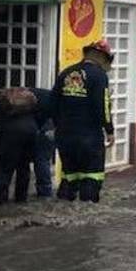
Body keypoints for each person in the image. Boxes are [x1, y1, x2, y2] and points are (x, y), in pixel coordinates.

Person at [51, 39, 115, 203]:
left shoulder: (66, 73)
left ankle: (61, 212)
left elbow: (53, 103)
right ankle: (88, 223)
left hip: (64, 137)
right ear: (102, 58)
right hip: (89, 137)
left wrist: (60, 127)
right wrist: (109, 130)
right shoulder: (99, 76)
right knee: (92, 178)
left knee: (70, 177)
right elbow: (103, 106)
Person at [0, 83, 42, 205]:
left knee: (2, 169)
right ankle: (21, 200)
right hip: (31, 129)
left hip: (12, 133)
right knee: (23, 167)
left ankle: (1, 203)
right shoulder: (19, 98)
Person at [30, 87, 55, 198]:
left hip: (51, 124)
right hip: (56, 123)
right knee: (43, 158)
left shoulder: (26, 98)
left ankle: (45, 191)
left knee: (41, 158)